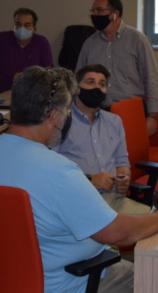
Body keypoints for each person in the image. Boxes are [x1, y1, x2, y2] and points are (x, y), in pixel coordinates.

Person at [0, 66, 158, 293]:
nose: (69, 116)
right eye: (68, 109)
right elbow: (116, 232)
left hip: (3, 279)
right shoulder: (59, 171)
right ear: (53, 116)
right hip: (72, 282)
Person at [54, 64, 149, 215]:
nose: (97, 88)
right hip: (79, 201)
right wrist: (90, 180)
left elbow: (122, 162)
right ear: (76, 89)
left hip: (114, 199)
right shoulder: (61, 121)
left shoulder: (114, 121)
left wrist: (124, 179)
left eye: (102, 84)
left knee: (157, 220)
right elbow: (53, 170)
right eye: (90, 82)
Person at [76, 0, 158, 136]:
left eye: (99, 10)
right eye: (93, 10)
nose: (94, 15)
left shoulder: (138, 40)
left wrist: (153, 116)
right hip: (98, 112)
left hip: (130, 111)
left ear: (114, 14)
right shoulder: (90, 43)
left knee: (129, 150)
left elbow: (152, 78)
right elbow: (77, 79)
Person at [0, 7, 53, 97]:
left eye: (27, 25)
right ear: (14, 26)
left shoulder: (41, 43)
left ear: (34, 29)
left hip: (29, 96)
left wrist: (29, 76)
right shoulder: (0, 39)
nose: (22, 28)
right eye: (18, 24)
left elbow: (49, 71)